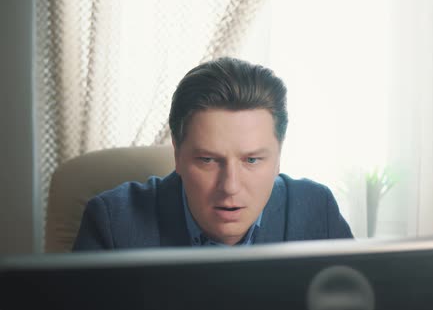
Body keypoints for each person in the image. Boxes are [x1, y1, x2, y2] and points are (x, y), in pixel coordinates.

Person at [73, 57, 353, 250]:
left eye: (252, 160)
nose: (230, 186)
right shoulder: (112, 222)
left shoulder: (317, 210)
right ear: (177, 154)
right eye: (208, 160)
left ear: (279, 155)